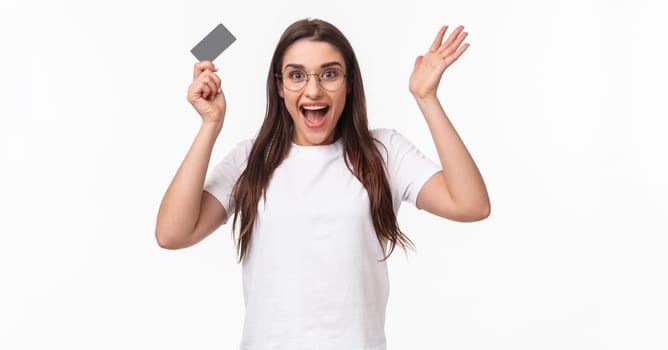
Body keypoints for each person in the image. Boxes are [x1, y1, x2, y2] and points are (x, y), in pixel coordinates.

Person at [155, 18, 490, 349]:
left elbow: (470, 204)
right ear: (279, 86)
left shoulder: (384, 153)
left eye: (329, 74)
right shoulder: (251, 159)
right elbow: (172, 234)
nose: (313, 90)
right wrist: (210, 124)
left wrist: (426, 98)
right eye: (297, 75)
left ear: (348, 83)